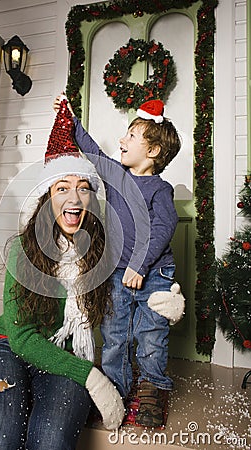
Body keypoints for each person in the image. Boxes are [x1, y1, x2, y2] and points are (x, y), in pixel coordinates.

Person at [0, 99, 124, 450]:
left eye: (83, 187)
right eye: (62, 187)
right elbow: (21, 337)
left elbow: (132, 299)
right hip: (8, 346)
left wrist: (163, 295)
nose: (74, 196)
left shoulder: (101, 255)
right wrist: (93, 378)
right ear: (47, 199)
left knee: (50, 441)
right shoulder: (25, 251)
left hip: (66, 354)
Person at [54, 95, 185, 428]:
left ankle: (154, 388)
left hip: (153, 273)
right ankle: (115, 390)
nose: (122, 141)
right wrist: (71, 119)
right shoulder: (115, 176)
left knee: (151, 335)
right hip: (116, 273)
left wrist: (139, 266)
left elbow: (163, 228)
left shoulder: (160, 189)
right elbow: (93, 150)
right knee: (115, 336)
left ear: (153, 151)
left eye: (130, 136)